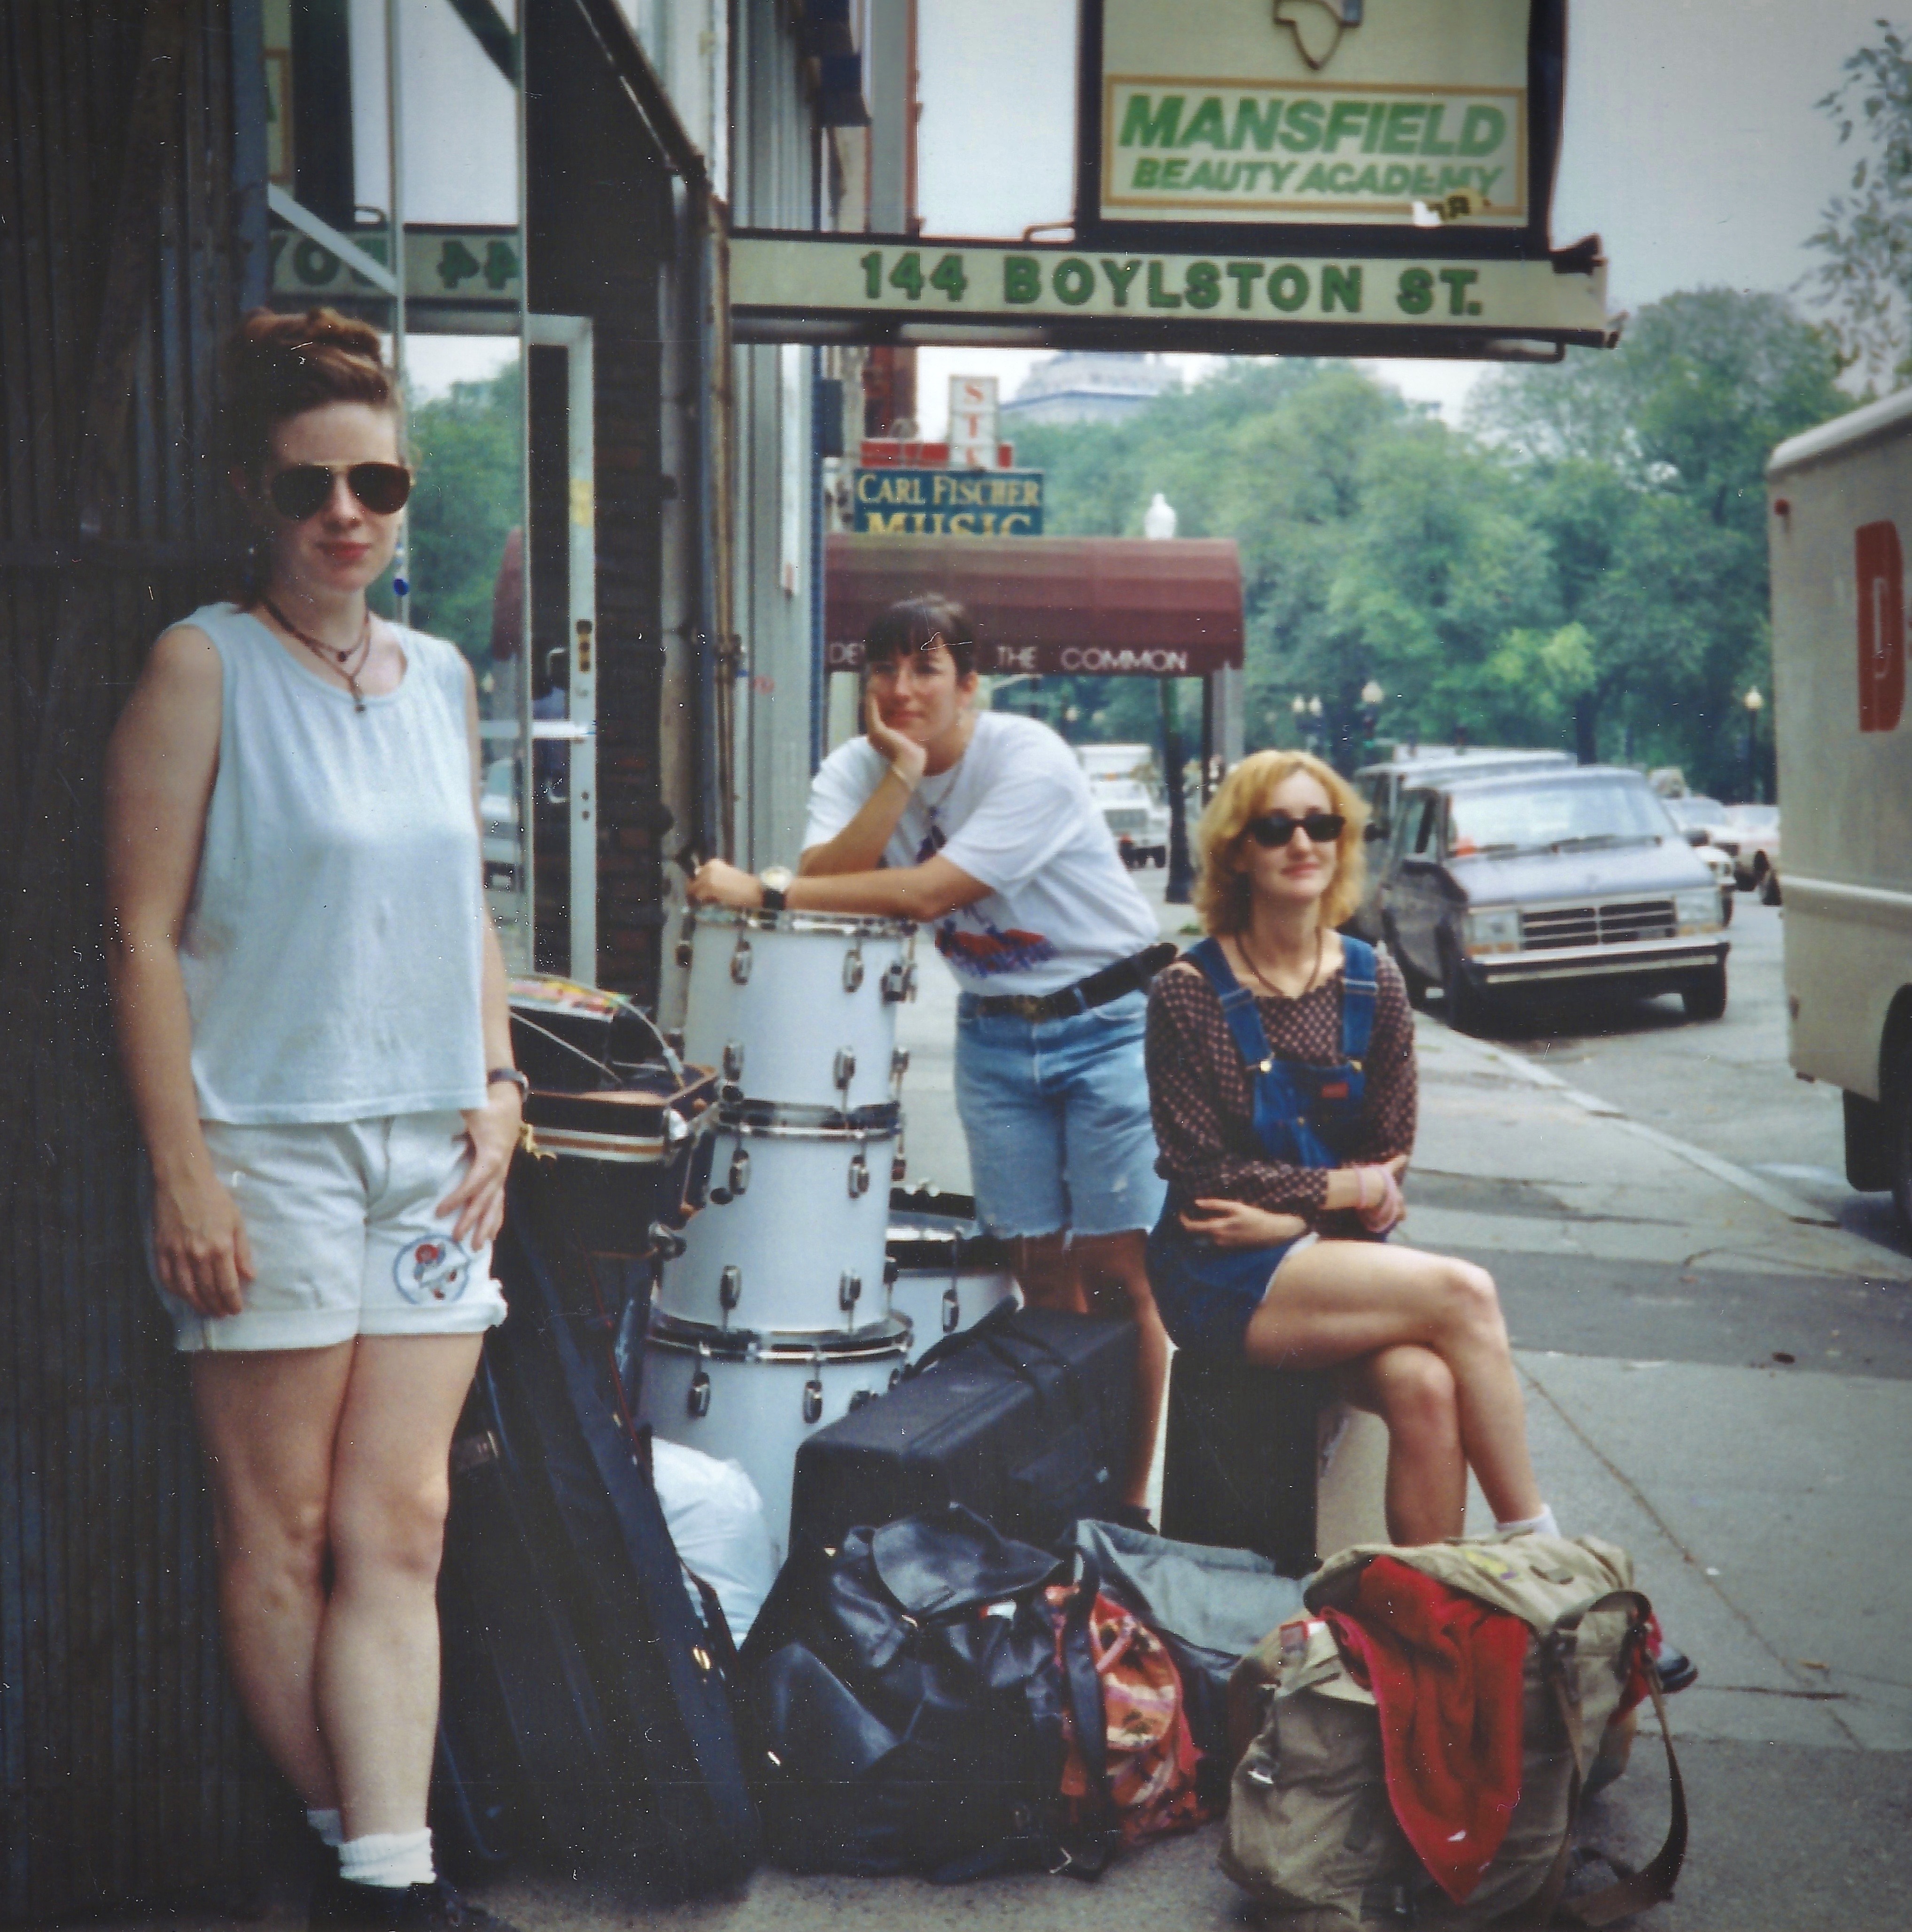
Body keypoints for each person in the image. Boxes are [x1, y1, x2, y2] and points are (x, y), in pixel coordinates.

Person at [104, 308, 522, 1931]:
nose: (344, 512)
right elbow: (140, 935)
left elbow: (466, 905)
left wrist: (498, 1082)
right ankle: (379, 1865)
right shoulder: (200, 667)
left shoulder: (442, 680)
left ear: (407, 491)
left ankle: (383, 1871)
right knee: (277, 1528)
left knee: (401, 1519)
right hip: (263, 1147)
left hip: (427, 1152)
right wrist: (185, 1172)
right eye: (306, 488)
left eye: (376, 478)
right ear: (249, 497)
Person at [687, 595, 1173, 1516]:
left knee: (1119, 1272)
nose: (901, 689)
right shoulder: (858, 767)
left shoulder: (1026, 757)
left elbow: (925, 892)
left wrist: (765, 889)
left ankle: (1129, 1504)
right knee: (1034, 1272)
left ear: (969, 685)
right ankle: (1061, 1500)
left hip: (1108, 1018)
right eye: (883, 670)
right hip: (995, 1030)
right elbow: (836, 888)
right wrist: (899, 779)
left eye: (926, 670)